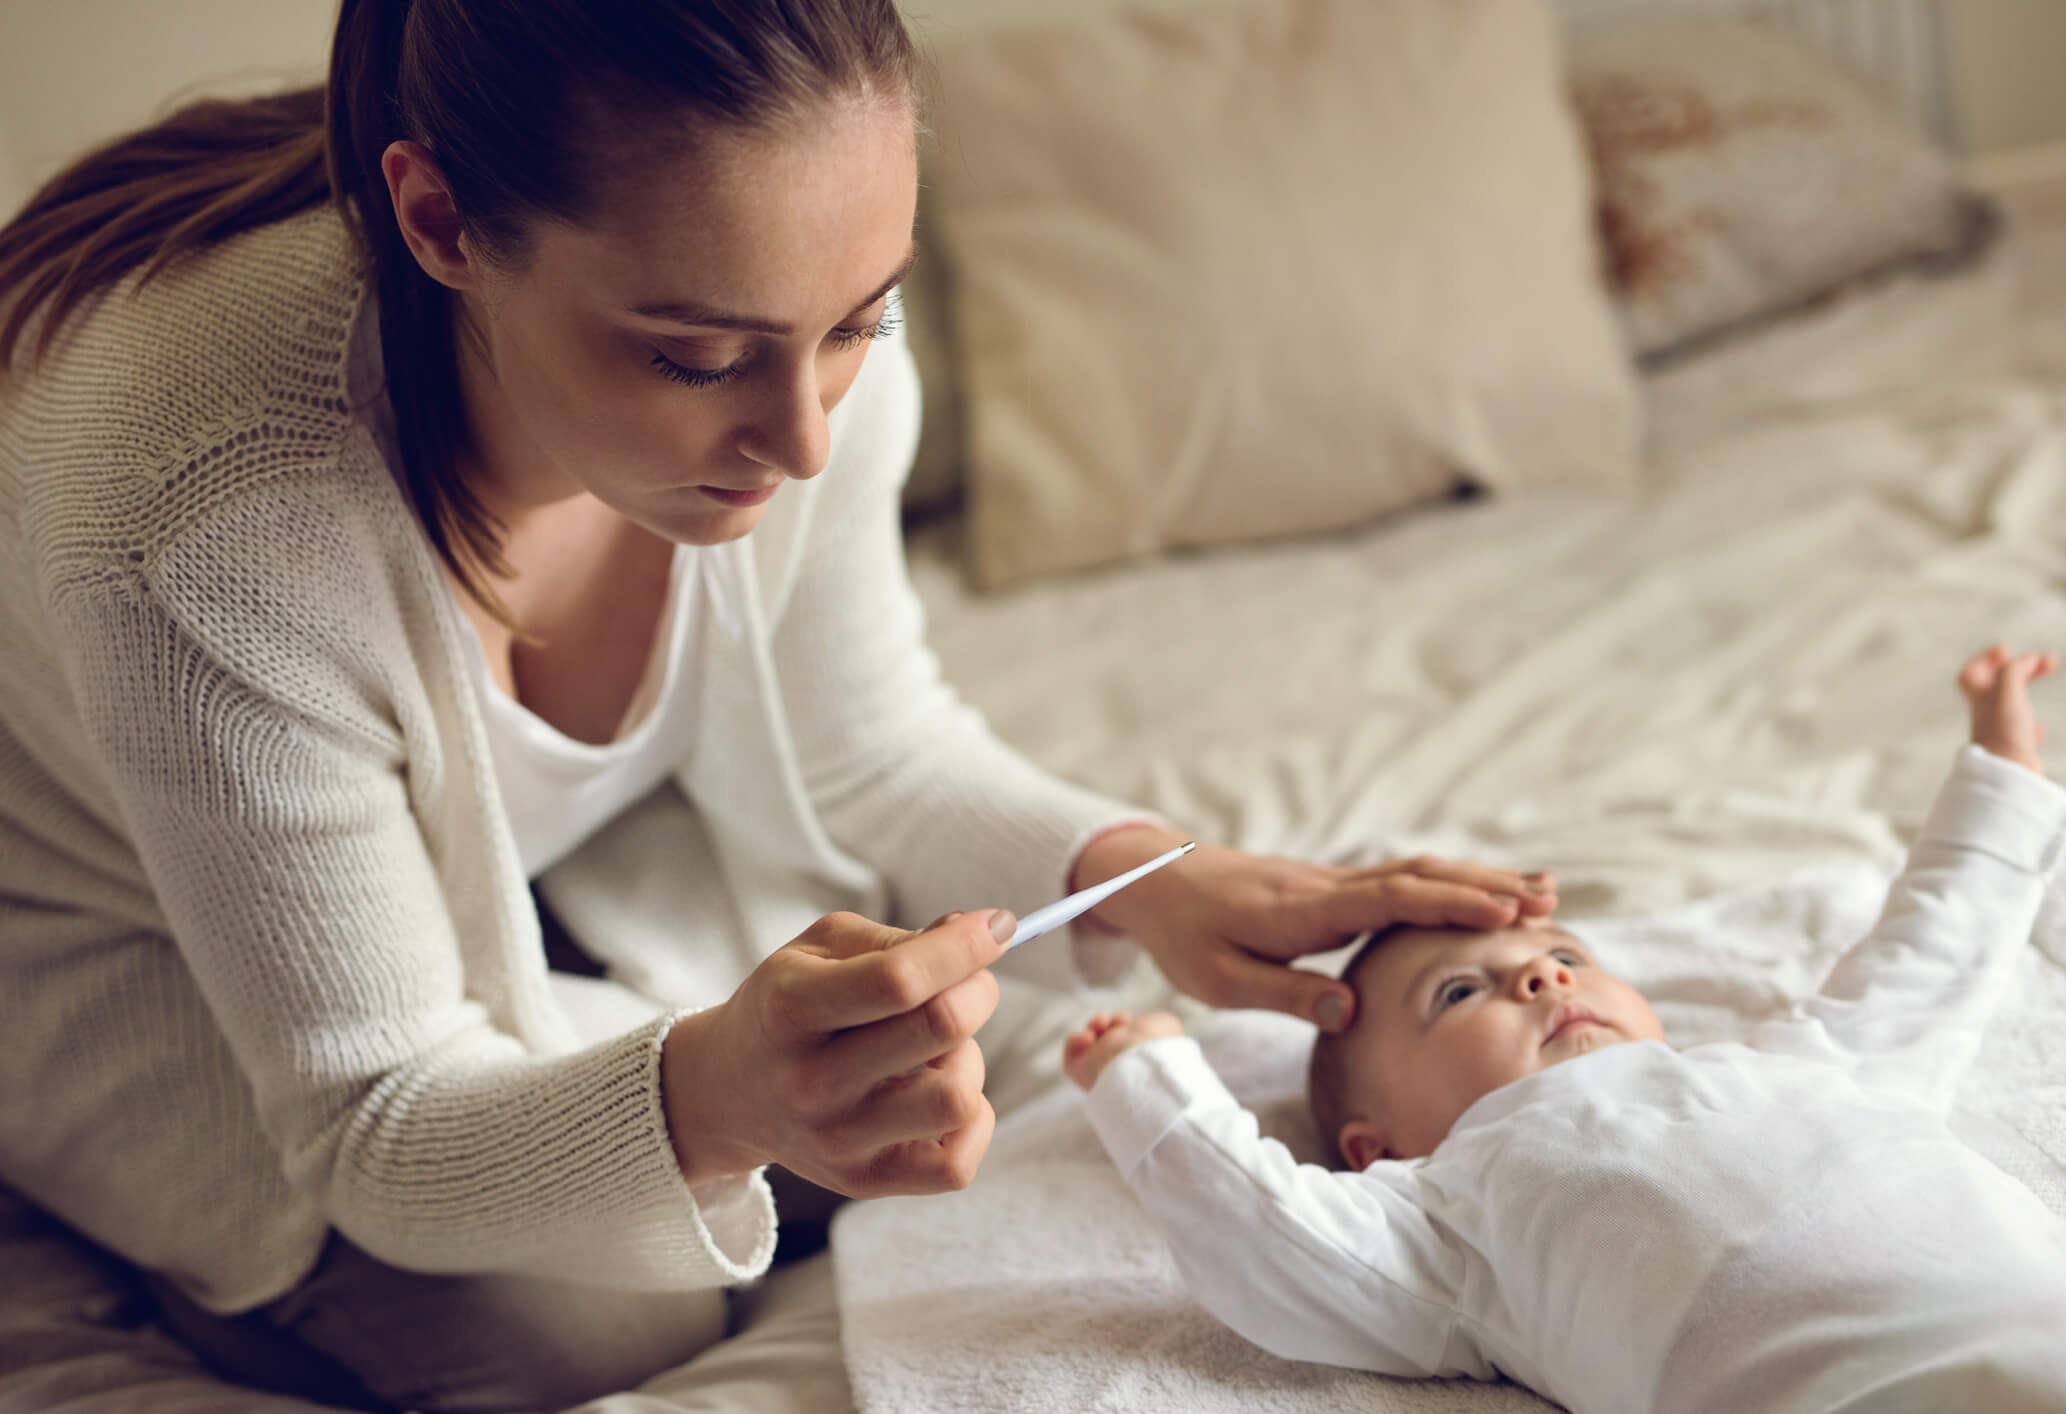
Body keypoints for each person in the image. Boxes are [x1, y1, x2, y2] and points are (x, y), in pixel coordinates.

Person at [0, 2, 1561, 1409]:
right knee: (591, 1332)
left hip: (543, 879)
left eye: (858, 321)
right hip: (115, 943)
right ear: (439, 221)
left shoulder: (795, 342)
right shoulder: (202, 524)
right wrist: (723, 1090)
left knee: (1019, 1080)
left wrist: (1150, 879)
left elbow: (869, 743)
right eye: (695, 357)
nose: (805, 439)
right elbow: (375, 1116)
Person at [1064, 646, 2066, 1414]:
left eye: (1567, 959)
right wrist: (1147, 1074)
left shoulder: (1813, 1063)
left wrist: (2003, 770)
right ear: (1374, 1145)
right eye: (1459, 996)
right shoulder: (1449, 1217)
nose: (1538, 972)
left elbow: (1935, 951)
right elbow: (1267, 1238)